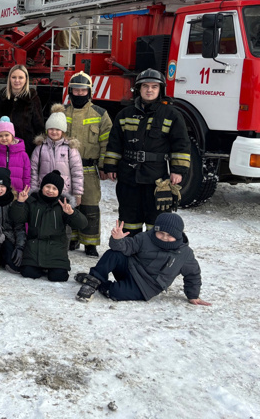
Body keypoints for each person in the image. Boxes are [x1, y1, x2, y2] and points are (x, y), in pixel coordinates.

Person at [104, 69, 191, 237]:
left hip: (157, 179)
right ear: (138, 89)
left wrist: (178, 171)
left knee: (156, 223)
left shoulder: (172, 115)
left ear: (160, 90)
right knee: (128, 221)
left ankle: (153, 258)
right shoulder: (125, 114)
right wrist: (110, 166)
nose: (149, 90)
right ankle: (129, 256)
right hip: (129, 177)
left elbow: (181, 144)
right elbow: (115, 143)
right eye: (145, 86)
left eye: (154, 87)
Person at [75, 213, 210, 305]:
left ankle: (102, 285)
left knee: (115, 293)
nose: (164, 237)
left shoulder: (184, 254)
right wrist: (117, 240)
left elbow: (193, 274)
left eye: (169, 235)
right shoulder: (145, 237)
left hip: (145, 286)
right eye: (161, 233)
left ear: (178, 235)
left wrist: (193, 295)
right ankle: (93, 281)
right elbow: (127, 247)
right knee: (114, 253)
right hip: (130, 268)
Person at [63, 71, 113, 257]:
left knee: (90, 206)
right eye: (75, 91)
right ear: (70, 92)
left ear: (89, 92)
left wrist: (103, 166)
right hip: (65, 168)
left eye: (83, 91)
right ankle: (73, 238)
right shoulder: (62, 112)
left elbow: (106, 142)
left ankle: (90, 243)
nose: (79, 94)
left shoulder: (100, 114)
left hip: (89, 169)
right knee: (70, 204)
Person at [11, 170, 87, 282]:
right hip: (34, 247)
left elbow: (83, 224)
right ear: (42, 187)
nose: (50, 191)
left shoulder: (63, 205)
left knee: (59, 277)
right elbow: (17, 219)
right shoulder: (32, 201)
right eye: (48, 187)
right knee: (28, 273)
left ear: (59, 191)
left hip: (56, 249)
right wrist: (20, 203)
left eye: (54, 188)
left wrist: (72, 213)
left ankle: (50, 267)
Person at [30, 104, 83, 206]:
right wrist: (34, 190)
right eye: (51, 129)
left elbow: (77, 173)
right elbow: (33, 171)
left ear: (63, 131)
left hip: (64, 193)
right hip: (44, 192)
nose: (54, 132)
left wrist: (78, 194)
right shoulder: (40, 148)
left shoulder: (70, 149)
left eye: (58, 129)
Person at [0, 65, 44, 155]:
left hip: (25, 150)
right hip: (1, 150)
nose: (17, 80)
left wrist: (39, 147)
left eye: (20, 77)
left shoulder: (32, 99)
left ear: (26, 79)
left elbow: (39, 126)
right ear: (9, 79)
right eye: (14, 77)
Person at [0, 116, 31, 192]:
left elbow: (27, 175)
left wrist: (26, 190)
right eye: (0, 136)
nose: (4, 138)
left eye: (7, 135)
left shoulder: (23, 154)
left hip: (18, 191)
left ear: (12, 136)